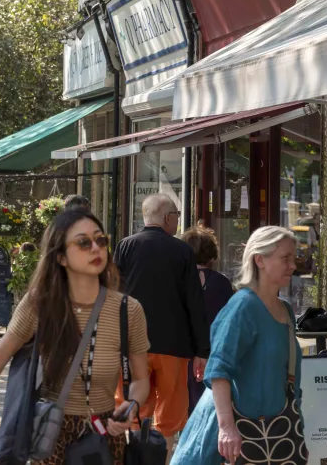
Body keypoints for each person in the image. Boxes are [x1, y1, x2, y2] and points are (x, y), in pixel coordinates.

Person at [0, 209, 150, 463]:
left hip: (105, 439)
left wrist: (132, 404)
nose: (95, 248)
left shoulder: (128, 310)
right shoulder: (40, 304)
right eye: (83, 242)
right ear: (61, 257)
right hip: (50, 435)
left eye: (101, 240)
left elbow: (141, 379)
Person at [172, 226, 304, 465]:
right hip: (234, 439)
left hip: (275, 433)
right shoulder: (243, 307)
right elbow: (219, 370)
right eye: (285, 258)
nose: (292, 266)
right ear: (260, 260)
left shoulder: (285, 311)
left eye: (293, 258)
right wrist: (226, 428)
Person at [112, 193, 210, 457]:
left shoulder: (125, 246)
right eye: (177, 215)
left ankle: (133, 459)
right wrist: (202, 350)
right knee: (167, 419)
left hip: (132, 346)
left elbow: (111, 296)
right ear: (167, 218)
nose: (177, 220)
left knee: (134, 411)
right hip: (174, 346)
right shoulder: (182, 251)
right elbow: (194, 303)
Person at [181, 223, 235, 416]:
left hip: (183, 352)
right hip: (214, 353)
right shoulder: (222, 283)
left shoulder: (178, 280)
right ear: (211, 254)